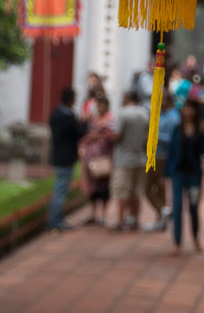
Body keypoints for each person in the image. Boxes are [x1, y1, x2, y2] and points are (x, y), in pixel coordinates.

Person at [165, 99, 204, 253]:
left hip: (194, 174)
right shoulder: (177, 129)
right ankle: (177, 242)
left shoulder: (200, 130)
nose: (188, 112)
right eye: (186, 109)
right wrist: (167, 172)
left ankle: (196, 238)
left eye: (191, 109)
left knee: (193, 208)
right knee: (177, 208)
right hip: (178, 173)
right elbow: (171, 151)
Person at [48, 86, 87, 232]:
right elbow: (79, 132)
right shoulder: (67, 117)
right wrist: (85, 122)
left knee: (60, 188)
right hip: (66, 156)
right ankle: (55, 221)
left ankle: (56, 219)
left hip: (58, 154)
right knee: (61, 190)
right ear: (71, 100)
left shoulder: (55, 113)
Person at [110, 90, 148, 231]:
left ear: (127, 98)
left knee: (122, 191)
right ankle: (136, 220)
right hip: (140, 157)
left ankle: (120, 221)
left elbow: (117, 136)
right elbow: (147, 135)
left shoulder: (123, 113)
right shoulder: (144, 113)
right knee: (137, 191)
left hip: (124, 158)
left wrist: (109, 137)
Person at [144, 91, 180, 231]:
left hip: (161, 157)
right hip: (155, 155)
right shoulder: (163, 115)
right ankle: (161, 219)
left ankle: (164, 210)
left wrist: (155, 136)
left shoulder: (173, 118)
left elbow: (172, 139)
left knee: (148, 188)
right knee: (158, 189)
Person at [79, 93, 114, 225]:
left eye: (103, 105)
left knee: (104, 186)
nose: (101, 107)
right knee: (92, 186)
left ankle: (103, 215)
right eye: (99, 105)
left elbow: (112, 137)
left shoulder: (110, 119)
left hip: (104, 156)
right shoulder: (92, 120)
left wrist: (98, 137)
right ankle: (93, 213)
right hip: (91, 157)